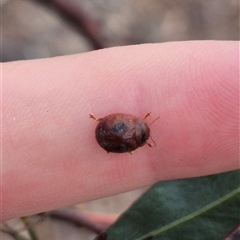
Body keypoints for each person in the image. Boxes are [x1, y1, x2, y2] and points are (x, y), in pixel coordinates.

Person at [2, 41, 239, 221]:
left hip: (103, 132)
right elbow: (119, 140)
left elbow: (116, 123)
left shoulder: (134, 125)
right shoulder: (134, 141)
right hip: (103, 138)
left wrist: (103, 122)